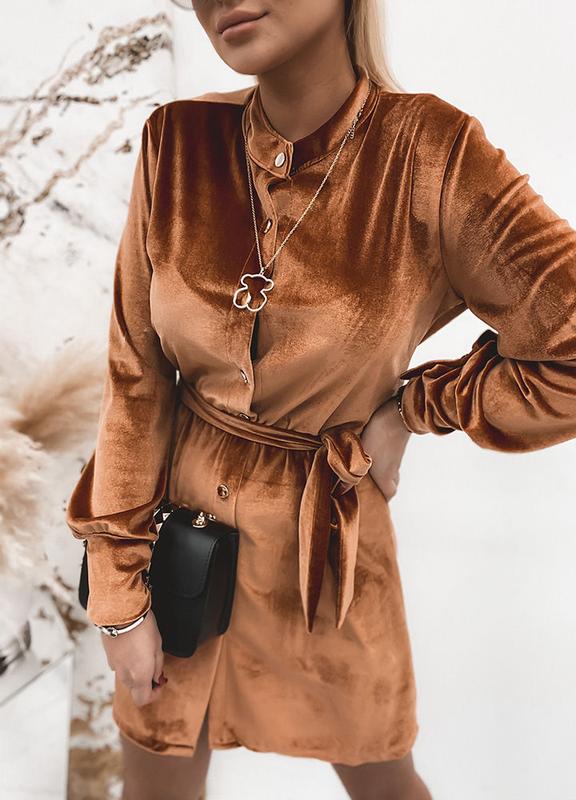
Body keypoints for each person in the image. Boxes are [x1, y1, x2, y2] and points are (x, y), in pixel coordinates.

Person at [65, 1, 576, 798]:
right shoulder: (177, 143)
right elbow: (136, 377)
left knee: (384, 782)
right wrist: (119, 597)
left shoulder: (432, 155)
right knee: (154, 779)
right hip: (178, 544)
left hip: (326, 559)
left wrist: (415, 408)